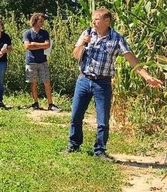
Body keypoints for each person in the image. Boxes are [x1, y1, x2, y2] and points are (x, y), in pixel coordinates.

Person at [66, 8, 163, 160]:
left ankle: (100, 150)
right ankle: (73, 145)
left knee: (103, 120)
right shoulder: (87, 33)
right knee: (76, 116)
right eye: (93, 19)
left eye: (97, 19)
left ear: (106, 21)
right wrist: (82, 44)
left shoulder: (116, 38)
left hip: (102, 83)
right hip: (83, 80)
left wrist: (147, 77)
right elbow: (75, 55)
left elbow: (131, 59)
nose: (93, 22)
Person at [23, 13, 61, 111]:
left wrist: (35, 44)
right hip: (31, 61)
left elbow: (47, 45)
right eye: (41, 21)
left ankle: (50, 104)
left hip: (43, 61)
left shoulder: (44, 33)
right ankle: (35, 103)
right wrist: (41, 45)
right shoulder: (27, 33)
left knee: (47, 82)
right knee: (33, 83)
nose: (42, 23)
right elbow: (27, 46)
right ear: (35, 21)